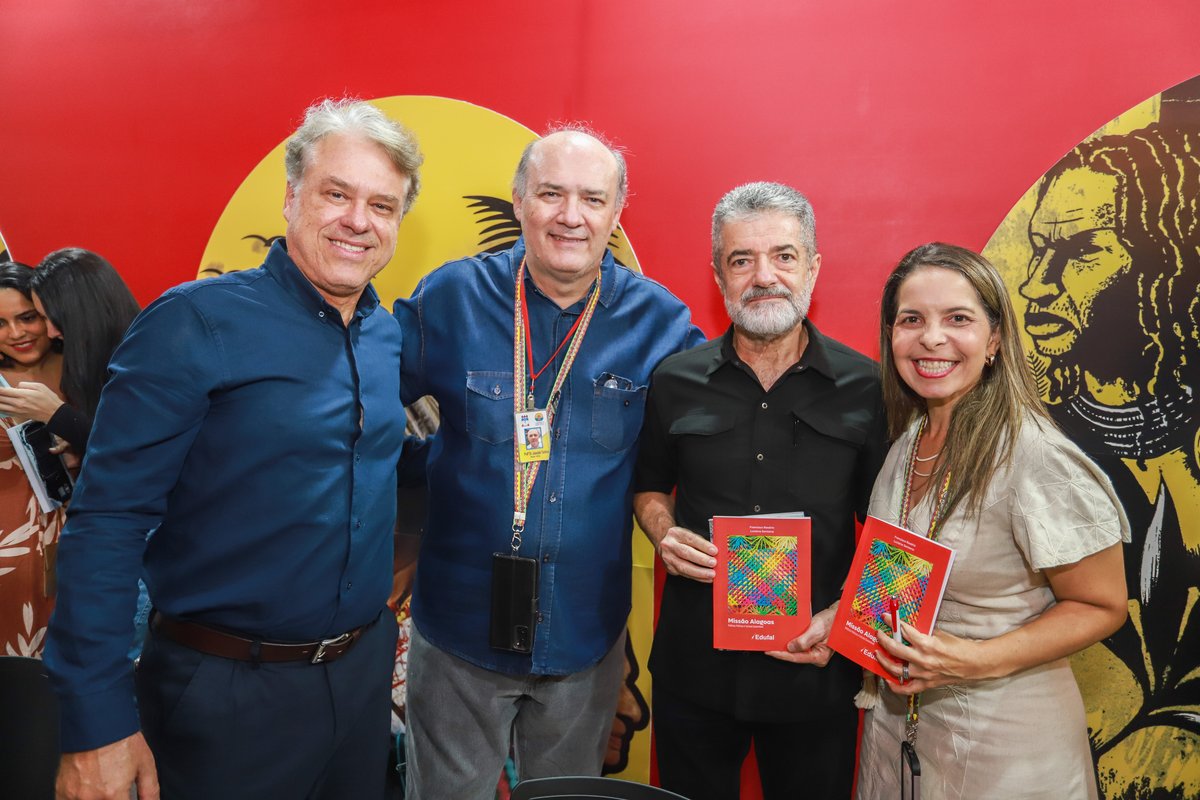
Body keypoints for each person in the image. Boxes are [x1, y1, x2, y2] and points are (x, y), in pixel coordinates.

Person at [43, 98, 423, 800]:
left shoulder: (385, 336)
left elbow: (370, 467)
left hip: (359, 688)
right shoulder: (193, 324)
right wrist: (95, 722)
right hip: (224, 700)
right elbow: (107, 522)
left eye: (382, 205)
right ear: (291, 197)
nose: (358, 220)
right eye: (336, 194)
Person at [394, 125, 703, 798]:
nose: (571, 216)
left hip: (583, 638)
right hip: (457, 631)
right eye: (551, 194)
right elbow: (363, 398)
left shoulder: (662, 324)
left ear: (616, 212)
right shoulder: (449, 299)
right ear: (518, 201)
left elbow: (708, 443)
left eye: (593, 198)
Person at [633, 181, 888, 799]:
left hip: (815, 670)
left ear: (813, 268)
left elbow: (894, 531)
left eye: (783, 256)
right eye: (742, 259)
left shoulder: (869, 388)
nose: (764, 276)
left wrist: (843, 621)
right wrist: (664, 533)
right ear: (718, 275)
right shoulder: (673, 381)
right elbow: (648, 488)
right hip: (695, 669)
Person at [854, 242, 1129, 799]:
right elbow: (900, 574)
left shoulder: (1036, 456)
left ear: (996, 339)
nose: (932, 338)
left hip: (1005, 753)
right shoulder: (909, 441)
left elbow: (1103, 605)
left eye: (958, 319)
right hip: (898, 736)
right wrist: (834, 620)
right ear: (891, 335)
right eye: (912, 320)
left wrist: (976, 659)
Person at [0, 261, 67, 658]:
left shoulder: (88, 367)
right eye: (0, 323)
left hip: (88, 547)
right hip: (7, 557)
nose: (16, 333)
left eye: (27, 317)